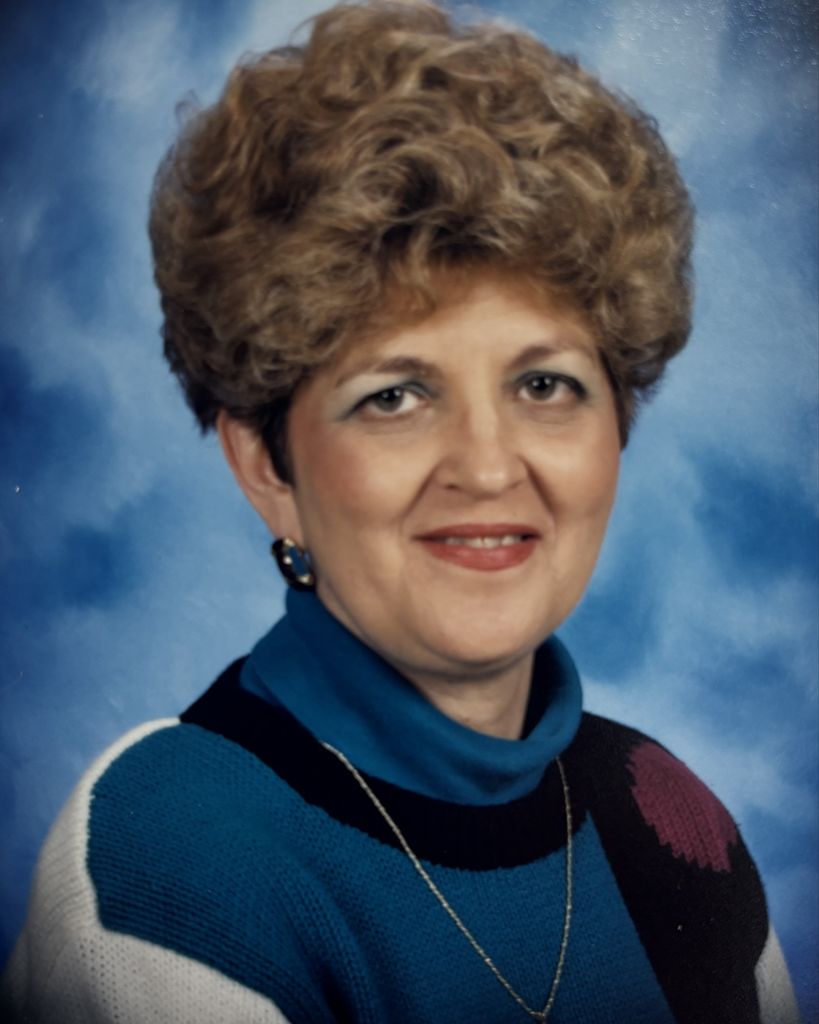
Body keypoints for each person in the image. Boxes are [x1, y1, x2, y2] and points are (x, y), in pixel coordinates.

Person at [0, 2, 802, 1022]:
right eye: (395, 396)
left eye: (545, 384)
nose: (487, 466)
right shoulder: (170, 863)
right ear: (266, 464)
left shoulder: (667, 816)